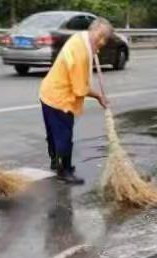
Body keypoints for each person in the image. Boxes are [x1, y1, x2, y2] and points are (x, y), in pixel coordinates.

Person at [39, 18, 112, 185]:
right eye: (99, 37)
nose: (101, 42)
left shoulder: (81, 38)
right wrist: (99, 96)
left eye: (105, 40)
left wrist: (93, 49)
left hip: (48, 92)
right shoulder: (80, 52)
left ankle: (54, 162)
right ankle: (64, 171)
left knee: (53, 133)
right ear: (92, 30)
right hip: (59, 98)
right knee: (63, 136)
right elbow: (80, 90)